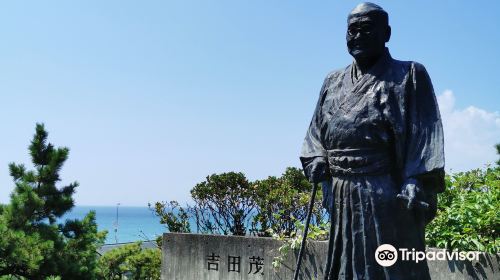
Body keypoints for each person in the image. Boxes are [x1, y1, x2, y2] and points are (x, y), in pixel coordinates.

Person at [300, 3, 445, 279]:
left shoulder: (410, 75)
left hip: (385, 192)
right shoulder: (332, 80)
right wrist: (317, 157)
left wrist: (416, 178)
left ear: (387, 33)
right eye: (352, 30)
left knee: (389, 266)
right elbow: (315, 132)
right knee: (345, 266)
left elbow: (426, 132)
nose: (357, 36)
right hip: (342, 193)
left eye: (367, 29)